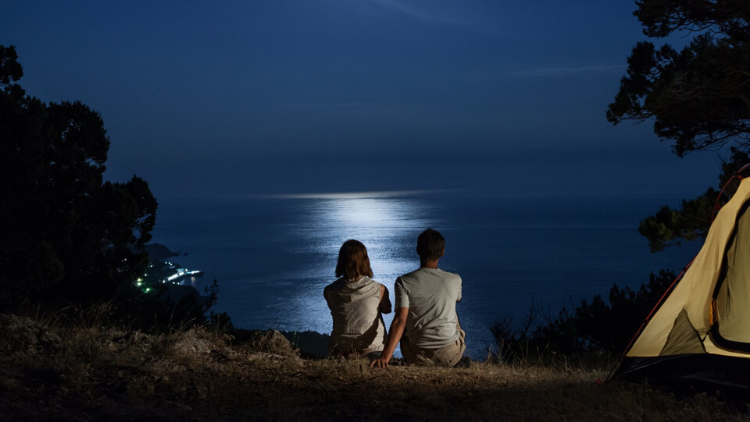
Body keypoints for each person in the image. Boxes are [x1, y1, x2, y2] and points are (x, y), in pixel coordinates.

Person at [370, 228, 465, 368]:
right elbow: (458, 299)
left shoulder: (404, 282)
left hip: (415, 356)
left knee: (405, 313)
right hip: (449, 356)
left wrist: (385, 357)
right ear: (442, 252)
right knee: (452, 310)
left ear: (418, 250)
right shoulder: (455, 279)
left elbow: (399, 321)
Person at [324, 239, 392, 357]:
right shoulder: (379, 289)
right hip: (372, 350)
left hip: (339, 351)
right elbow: (387, 309)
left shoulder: (329, 291)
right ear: (365, 261)